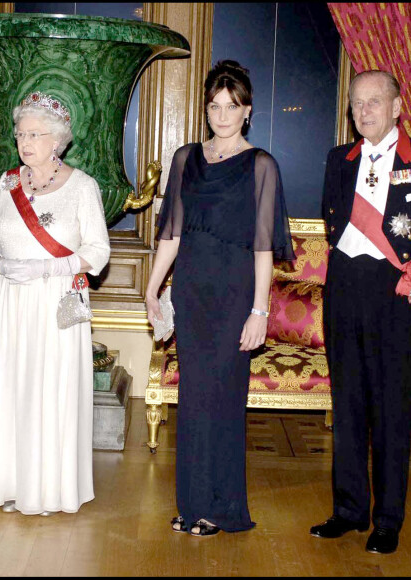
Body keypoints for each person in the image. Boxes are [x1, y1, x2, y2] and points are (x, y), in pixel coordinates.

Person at [145, 60, 294, 537]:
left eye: (232, 106)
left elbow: (264, 246)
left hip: (234, 296)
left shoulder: (262, 165)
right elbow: (171, 233)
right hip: (191, 290)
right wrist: (152, 290)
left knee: (223, 400)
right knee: (192, 400)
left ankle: (222, 508)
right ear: (205, 109)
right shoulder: (185, 159)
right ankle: (190, 506)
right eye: (215, 105)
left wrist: (259, 311)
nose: (222, 113)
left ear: (247, 111)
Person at [0, 92, 110, 515]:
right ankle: (11, 483)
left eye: (34, 134)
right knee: (11, 386)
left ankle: (48, 489)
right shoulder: (8, 182)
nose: (24, 142)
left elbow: (98, 252)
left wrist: (48, 269)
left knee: (52, 388)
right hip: (11, 298)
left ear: (58, 140)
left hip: (58, 298)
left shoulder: (83, 186)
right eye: (20, 134)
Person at [310, 70, 411, 555]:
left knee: (391, 408)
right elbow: (333, 222)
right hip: (344, 287)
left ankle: (387, 520)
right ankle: (349, 510)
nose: (363, 111)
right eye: (356, 103)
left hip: (394, 292)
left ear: (397, 107)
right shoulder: (338, 159)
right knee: (347, 404)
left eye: (374, 102)